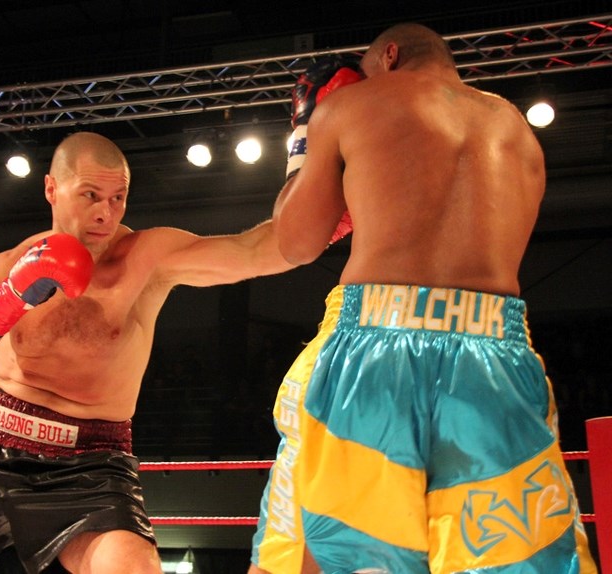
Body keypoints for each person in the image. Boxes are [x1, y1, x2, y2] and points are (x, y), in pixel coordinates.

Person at [0, 131, 297, 574]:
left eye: (117, 198)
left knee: (132, 568)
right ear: (51, 189)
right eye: (90, 195)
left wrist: (319, 172)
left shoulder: (147, 258)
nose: (105, 214)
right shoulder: (8, 265)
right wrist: (12, 295)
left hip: (89, 463)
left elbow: (258, 250)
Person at [249, 23, 598, 574]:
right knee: (515, 559)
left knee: (339, 553)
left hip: (376, 345)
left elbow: (294, 243)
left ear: (388, 56)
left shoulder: (354, 105)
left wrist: (302, 141)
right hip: (496, 353)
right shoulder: (516, 130)